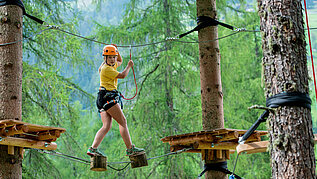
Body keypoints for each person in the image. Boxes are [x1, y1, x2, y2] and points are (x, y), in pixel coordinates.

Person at [87, 44, 144, 157]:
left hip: (102, 98)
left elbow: (120, 60)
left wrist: (116, 50)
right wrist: (129, 66)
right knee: (122, 121)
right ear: (105, 58)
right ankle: (130, 149)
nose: (113, 59)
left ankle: (93, 148)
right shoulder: (107, 69)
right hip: (108, 98)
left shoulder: (110, 66)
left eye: (114, 57)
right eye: (110, 57)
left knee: (106, 126)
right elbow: (122, 75)